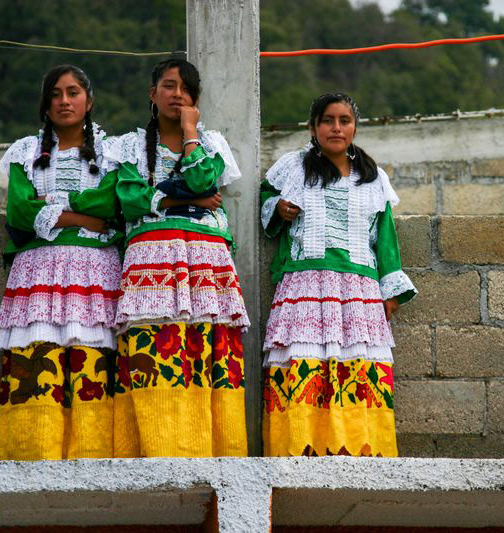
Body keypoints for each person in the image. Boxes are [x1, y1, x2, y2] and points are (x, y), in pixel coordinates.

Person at [260, 92, 417, 457]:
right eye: (327, 120)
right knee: (305, 361)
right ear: (313, 127)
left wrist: (389, 292)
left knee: (356, 366)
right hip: (305, 286)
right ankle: (298, 449)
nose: (336, 127)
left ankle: (360, 454)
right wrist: (277, 208)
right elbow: (265, 197)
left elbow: (386, 238)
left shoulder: (373, 178)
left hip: (358, 293)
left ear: (355, 127)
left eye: (344, 120)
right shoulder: (293, 168)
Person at [107, 58, 248, 458]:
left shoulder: (211, 142)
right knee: (154, 350)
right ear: (152, 94)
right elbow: (129, 199)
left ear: (196, 100)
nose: (177, 95)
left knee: (206, 348)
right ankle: (154, 450)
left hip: (206, 260)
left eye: (186, 89)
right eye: (169, 86)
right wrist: (184, 197)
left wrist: (189, 134)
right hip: (150, 259)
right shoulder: (131, 145)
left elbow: (206, 179)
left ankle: (215, 453)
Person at [0, 65, 122, 460]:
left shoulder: (113, 151)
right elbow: (18, 209)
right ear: (46, 104)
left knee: (91, 358)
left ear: (89, 100)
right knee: (39, 357)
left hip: (95, 270)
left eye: (72, 92)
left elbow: (112, 201)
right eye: (55, 94)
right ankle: (32, 456)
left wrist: (50, 207)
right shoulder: (25, 151)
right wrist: (78, 218)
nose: (64, 101)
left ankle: (94, 456)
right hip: (38, 272)